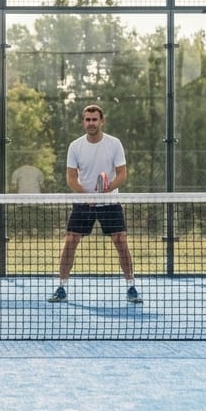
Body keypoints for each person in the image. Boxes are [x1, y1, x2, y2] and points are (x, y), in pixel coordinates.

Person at [47, 105, 141, 305]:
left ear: (102, 121)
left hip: (110, 201)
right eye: (87, 120)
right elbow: (72, 178)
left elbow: (122, 174)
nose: (91, 123)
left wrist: (105, 192)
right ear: (83, 122)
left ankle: (131, 286)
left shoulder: (114, 144)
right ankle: (61, 286)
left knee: (121, 242)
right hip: (83, 202)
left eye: (94, 119)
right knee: (71, 241)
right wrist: (86, 195)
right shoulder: (75, 146)